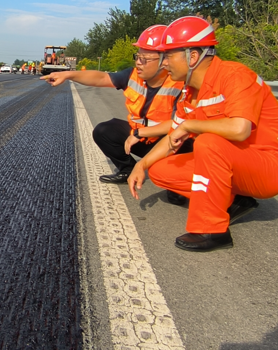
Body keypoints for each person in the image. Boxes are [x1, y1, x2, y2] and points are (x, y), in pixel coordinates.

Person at [127, 16, 278, 252]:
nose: (164, 63)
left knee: (208, 142)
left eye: (168, 55)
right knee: (160, 170)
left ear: (193, 56)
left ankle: (213, 230)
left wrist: (190, 126)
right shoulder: (189, 92)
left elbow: (240, 129)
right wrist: (142, 164)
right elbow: (172, 137)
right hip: (232, 163)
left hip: (266, 167)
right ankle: (233, 200)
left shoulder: (234, 76)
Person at [41, 25, 190, 205]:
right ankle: (127, 169)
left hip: (171, 142)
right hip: (141, 138)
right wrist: (68, 74)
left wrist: (139, 134)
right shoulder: (133, 75)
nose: (138, 63)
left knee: (176, 191)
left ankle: (189, 182)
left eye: (145, 59)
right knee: (105, 130)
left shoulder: (181, 84)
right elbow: (103, 78)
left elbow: (181, 124)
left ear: (164, 61)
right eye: (138, 57)